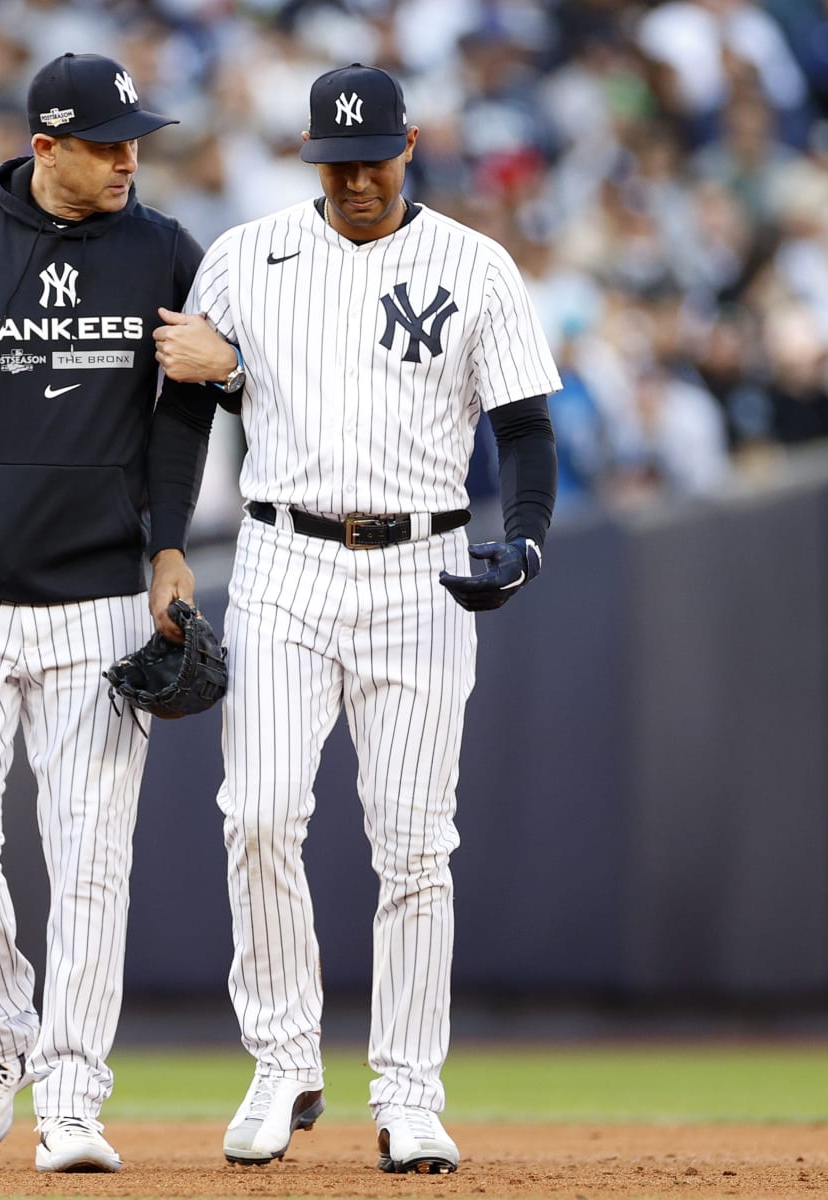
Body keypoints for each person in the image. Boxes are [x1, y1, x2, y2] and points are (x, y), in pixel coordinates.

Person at [153, 64, 561, 1176]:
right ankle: (283, 1060)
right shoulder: (248, 255)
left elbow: (525, 428)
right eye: (336, 162)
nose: (356, 179)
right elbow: (192, 396)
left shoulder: (474, 265)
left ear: (411, 144)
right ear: (309, 159)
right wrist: (171, 526)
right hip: (283, 554)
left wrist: (523, 536)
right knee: (258, 814)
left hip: (421, 564)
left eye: (372, 158)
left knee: (416, 846)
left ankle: (411, 1093)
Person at [0, 52, 219, 1174]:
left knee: (91, 857)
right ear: (46, 144)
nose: (129, 158)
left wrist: (166, 546)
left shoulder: (162, 248)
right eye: (107, 142)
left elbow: (184, 410)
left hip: (100, 597)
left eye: (137, 140)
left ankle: (72, 1094)